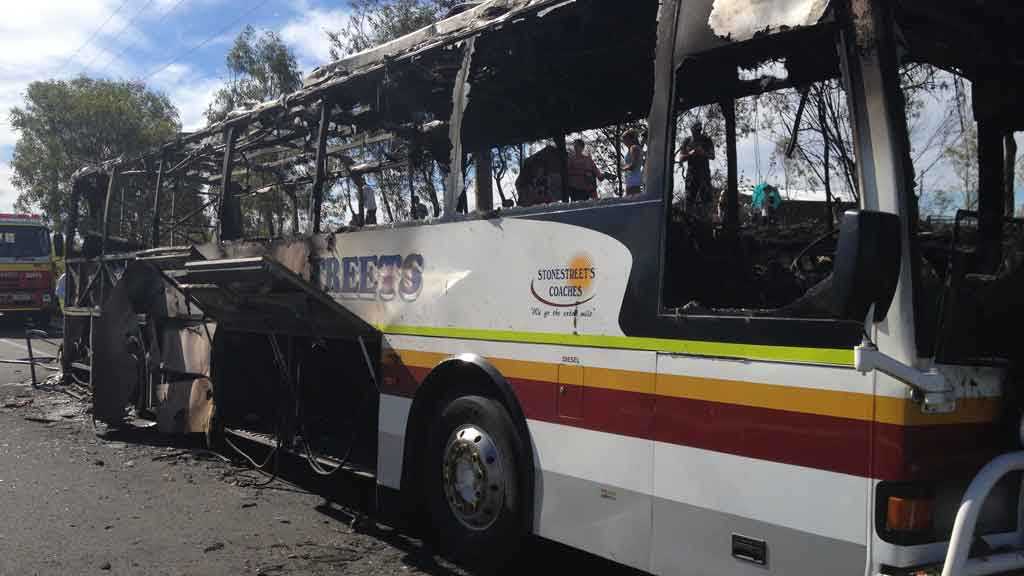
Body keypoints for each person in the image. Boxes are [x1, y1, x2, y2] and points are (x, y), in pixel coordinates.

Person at [679, 122, 715, 219]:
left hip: (704, 174)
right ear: (692, 130)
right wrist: (691, 153)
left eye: (699, 131)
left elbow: (712, 155)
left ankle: (707, 223)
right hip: (691, 174)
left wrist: (703, 153)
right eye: (695, 131)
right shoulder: (687, 141)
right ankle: (687, 223)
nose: (697, 133)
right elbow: (681, 158)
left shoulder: (707, 140)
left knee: (706, 201)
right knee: (689, 200)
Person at [622, 130, 644, 196]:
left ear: (630, 139)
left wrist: (623, 168)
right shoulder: (637, 147)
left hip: (633, 180)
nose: (624, 142)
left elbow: (633, 165)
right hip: (634, 179)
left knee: (631, 201)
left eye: (625, 140)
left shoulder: (633, 148)